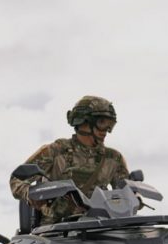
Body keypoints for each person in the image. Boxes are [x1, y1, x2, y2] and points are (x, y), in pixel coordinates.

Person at [10, 95, 130, 225]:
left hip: (100, 230)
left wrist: (136, 197)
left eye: (110, 125)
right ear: (84, 122)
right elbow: (17, 179)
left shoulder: (113, 158)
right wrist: (30, 195)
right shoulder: (55, 151)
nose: (106, 130)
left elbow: (126, 195)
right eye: (102, 123)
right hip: (57, 230)